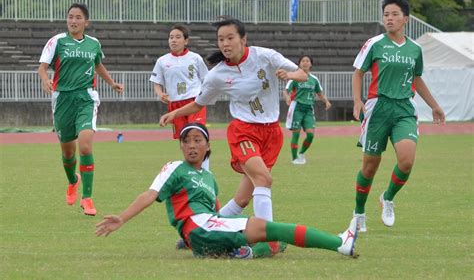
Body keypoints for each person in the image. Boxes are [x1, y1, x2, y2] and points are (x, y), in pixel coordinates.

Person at [95, 122, 359, 259]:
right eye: (186, 141)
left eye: (197, 140)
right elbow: (150, 195)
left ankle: (241, 253)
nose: (191, 146)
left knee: (271, 242)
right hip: (200, 229)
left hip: (206, 231)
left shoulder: (209, 178)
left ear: (208, 147)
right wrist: (122, 217)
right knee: (271, 230)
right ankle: (340, 243)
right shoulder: (175, 167)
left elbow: (220, 213)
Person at [159, 18, 308, 224]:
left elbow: (303, 74)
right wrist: (174, 114)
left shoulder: (265, 56)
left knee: (243, 199)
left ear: (243, 39)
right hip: (244, 132)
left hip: (272, 133)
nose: (225, 44)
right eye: (221, 39)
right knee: (264, 179)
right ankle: (266, 236)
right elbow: (198, 103)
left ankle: (207, 228)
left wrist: (290, 74)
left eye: (230, 38)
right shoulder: (217, 75)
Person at [350, 0, 445, 232]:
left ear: (406, 19)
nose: (389, 18)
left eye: (394, 14)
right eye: (386, 14)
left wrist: (434, 105)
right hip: (378, 108)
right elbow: (358, 73)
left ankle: (388, 198)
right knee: (370, 166)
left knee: (406, 160)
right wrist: (357, 101)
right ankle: (359, 212)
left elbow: (416, 78)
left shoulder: (415, 49)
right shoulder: (374, 43)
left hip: (404, 109)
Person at [37, 3, 124, 216]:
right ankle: (72, 180)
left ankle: (87, 198)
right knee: (68, 152)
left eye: (77, 17)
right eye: (70, 17)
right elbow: (42, 66)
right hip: (62, 99)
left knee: (85, 146)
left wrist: (112, 83)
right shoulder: (57, 41)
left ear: (86, 22)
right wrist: (45, 79)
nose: (73, 21)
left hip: (86, 97)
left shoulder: (94, 44)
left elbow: (97, 65)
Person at [149, 24, 210, 170]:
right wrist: (160, 94)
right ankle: (192, 171)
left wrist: (204, 96)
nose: (173, 40)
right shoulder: (162, 61)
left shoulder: (195, 58)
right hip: (175, 105)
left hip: (194, 102)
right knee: (185, 140)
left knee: (197, 134)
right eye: (171, 37)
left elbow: (206, 79)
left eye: (177, 37)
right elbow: (156, 82)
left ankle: (206, 171)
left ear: (186, 41)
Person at [283, 55, 332, 165]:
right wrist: (287, 97)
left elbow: (319, 94)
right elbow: (286, 91)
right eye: (303, 61)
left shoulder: (314, 80)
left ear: (311, 64)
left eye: (307, 61)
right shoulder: (295, 78)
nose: (305, 63)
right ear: (299, 64)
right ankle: (294, 158)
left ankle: (301, 153)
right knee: (296, 134)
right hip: (297, 108)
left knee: (310, 135)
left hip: (309, 109)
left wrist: (326, 101)